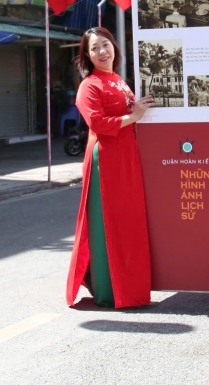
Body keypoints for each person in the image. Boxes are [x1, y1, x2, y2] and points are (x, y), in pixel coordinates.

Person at [66, 27, 154, 308]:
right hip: (106, 158)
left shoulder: (117, 80)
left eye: (106, 45)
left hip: (127, 155)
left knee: (129, 222)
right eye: (95, 48)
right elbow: (98, 124)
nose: (102, 51)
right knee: (110, 224)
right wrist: (134, 115)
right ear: (87, 56)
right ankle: (110, 289)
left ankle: (130, 286)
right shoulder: (89, 85)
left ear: (115, 47)